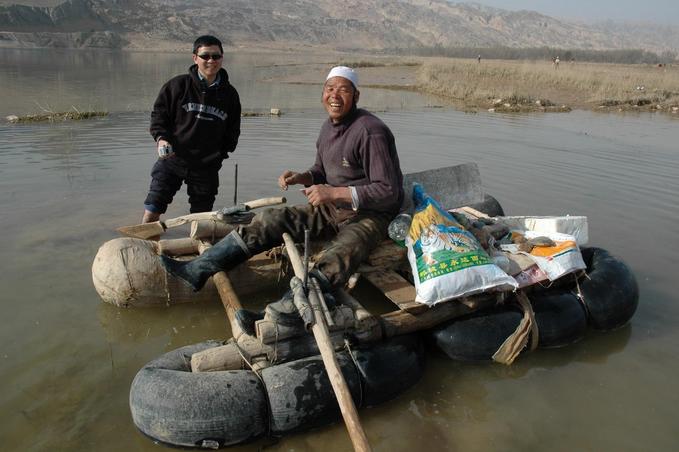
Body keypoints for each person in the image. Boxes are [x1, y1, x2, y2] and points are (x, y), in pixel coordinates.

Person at [161, 66, 404, 321]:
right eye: (330, 89)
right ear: (322, 94)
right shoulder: (327, 128)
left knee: (336, 257)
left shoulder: (369, 131)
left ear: (356, 96)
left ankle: (277, 316)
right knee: (270, 220)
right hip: (333, 208)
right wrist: (303, 177)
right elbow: (321, 170)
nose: (335, 96)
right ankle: (198, 269)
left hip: (371, 214)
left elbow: (388, 191)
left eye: (343, 90)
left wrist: (333, 193)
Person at [141, 35, 241, 224]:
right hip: (172, 160)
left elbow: (233, 130)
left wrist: (220, 155)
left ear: (222, 58)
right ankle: (145, 247)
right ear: (195, 58)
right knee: (152, 210)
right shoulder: (177, 86)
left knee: (201, 219)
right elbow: (158, 117)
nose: (211, 60)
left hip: (206, 168)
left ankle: (198, 252)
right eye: (205, 56)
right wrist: (161, 138)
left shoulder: (230, 95)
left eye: (216, 56)